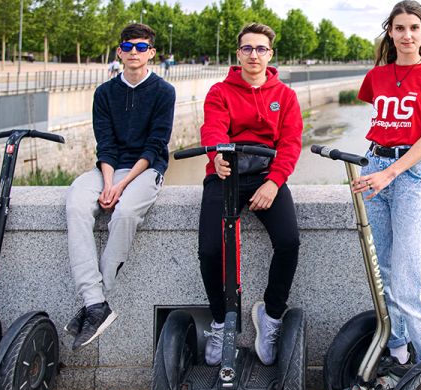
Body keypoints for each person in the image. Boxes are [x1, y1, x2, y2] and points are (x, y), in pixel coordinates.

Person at [350, 0, 421, 384]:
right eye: (399, 28)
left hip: (410, 173)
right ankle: (397, 352)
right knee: (385, 270)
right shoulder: (377, 76)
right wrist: (374, 171)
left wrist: (391, 173)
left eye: (414, 27)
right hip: (373, 167)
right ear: (390, 33)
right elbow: (380, 123)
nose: (407, 35)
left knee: (409, 279)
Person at [64, 23, 176, 350]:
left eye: (142, 48)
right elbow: (106, 145)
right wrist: (109, 182)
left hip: (146, 169)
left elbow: (155, 146)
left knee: (125, 212)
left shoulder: (163, 92)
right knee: (75, 203)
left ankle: (95, 299)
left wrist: (123, 185)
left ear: (152, 53)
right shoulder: (104, 93)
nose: (134, 53)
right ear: (119, 52)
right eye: (128, 47)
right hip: (110, 168)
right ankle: (96, 304)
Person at [197, 22, 302, 366]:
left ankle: (270, 316)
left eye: (260, 49)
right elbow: (212, 127)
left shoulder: (285, 96)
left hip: (265, 176)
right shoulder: (219, 91)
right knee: (210, 250)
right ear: (238, 53)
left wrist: (274, 182)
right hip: (225, 174)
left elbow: (290, 143)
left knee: (288, 242)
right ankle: (220, 323)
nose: (253, 55)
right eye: (247, 49)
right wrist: (217, 156)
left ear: (271, 55)